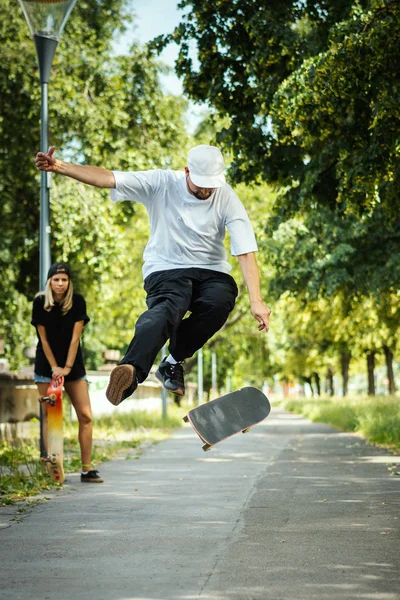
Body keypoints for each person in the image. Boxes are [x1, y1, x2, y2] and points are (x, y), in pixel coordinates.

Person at [35, 145, 271, 406]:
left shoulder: (226, 196)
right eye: (200, 185)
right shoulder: (161, 182)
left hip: (211, 271)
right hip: (166, 268)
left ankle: (171, 363)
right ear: (186, 171)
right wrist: (61, 167)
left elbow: (245, 251)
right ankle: (130, 371)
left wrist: (256, 299)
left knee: (221, 300)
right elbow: (108, 177)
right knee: (169, 307)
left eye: (210, 186)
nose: (205, 192)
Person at [32, 262, 104, 483]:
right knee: (50, 418)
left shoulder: (78, 302)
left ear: (69, 282)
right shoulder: (39, 302)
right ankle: (52, 466)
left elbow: (75, 339)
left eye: (64, 280)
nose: (60, 284)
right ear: (50, 281)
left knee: (86, 416)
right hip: (46, 367)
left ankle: (86, 469)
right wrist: (55, 368)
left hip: (73, 367)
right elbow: (43, 340)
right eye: (56, 279)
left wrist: (67, 368)